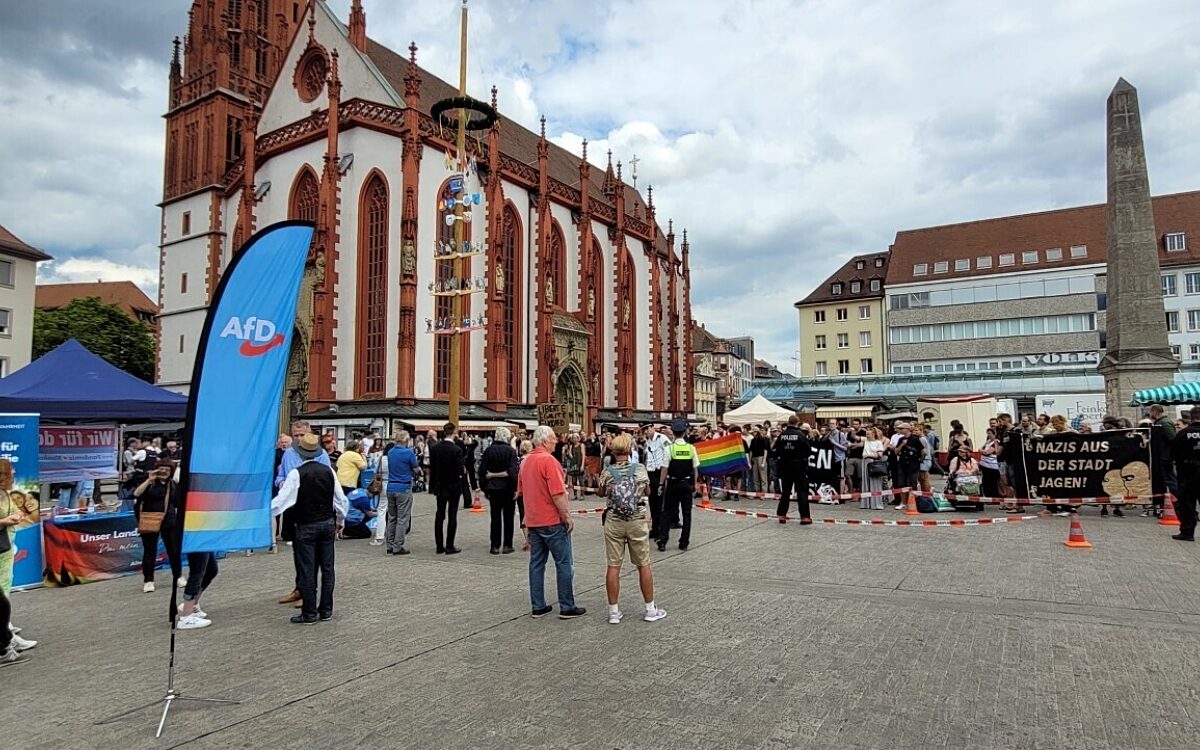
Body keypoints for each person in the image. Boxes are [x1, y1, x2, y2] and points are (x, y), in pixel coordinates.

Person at [272, 433, 348, 624]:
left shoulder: (296, 473)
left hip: (306, 524)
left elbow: (281, 502)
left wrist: (262, 513)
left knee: (307, 569)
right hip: (326, 523)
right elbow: (340, 499)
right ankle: (326, 610)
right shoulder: (329, 471)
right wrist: (340, 520)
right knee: (328, 568)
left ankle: (309, 612)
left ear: (300, 453)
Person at [597, 433, 666, 624]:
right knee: (643, 564)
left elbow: (600, 492)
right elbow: (648, 491)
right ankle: (650, 609)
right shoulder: (640, 469)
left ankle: (613, 612)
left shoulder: (607, 472)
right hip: (636, 520)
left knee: (613, 565)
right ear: (629, 450)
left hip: (614, 520)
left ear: (612, 450)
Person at [518, 425, 585, 619]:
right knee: (564, 563)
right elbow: (557, 494)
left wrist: (526, 519)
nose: (557, 441)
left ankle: (538, 605)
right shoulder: (549, 461)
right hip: (552, 520)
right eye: (554, 438)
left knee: (536, 564)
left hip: (533, 519)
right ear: (546, 440)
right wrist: (566, 516)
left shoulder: (525, 461)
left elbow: (522, 493)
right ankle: (566, 606)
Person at [275, 420, 331, 606]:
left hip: (313, 507)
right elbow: (280, 476)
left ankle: (309, 592)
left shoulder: (320, 454)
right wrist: (282, 483)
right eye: (296, 435)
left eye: (302, 435)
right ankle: (300, 588)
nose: (298, 439)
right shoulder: (288, 453)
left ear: (309, 434)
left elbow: (328, 478)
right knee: (298, 551)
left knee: (312, 553)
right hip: (293, 507)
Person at [133, 458, 183, 593]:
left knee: (173, 550)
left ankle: (178, 576)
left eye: (167, 470)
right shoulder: (149, 482)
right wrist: (149, 479)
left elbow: (178, 503)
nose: (164, 472)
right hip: (150, 519)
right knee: (150, 551)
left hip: (169, 521)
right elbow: (136, 493)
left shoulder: (173, 484)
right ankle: (148, 580)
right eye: (162, 469)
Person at [0, 484, 37, 653]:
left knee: (3, 596)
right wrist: (4, 521)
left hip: (5, 545)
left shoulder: (6, 494)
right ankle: (7, 642)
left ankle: (7, 637)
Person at [479, 426, 520, 554]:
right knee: (508, 517)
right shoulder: (511, 451)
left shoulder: (488, 451)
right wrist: (516, 489)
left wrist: (485, 488)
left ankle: (495, 545)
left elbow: (482, 471)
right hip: (508, 488)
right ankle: (507, 544)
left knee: (495, 517)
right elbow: (513, 472)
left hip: (493, 488)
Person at [659, 419, 700, 550]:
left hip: (672, 483)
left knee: (666, 512)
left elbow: (664, 468)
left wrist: (661, 484)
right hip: (686, 483)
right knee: (687, 513)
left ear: (674, 433)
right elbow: (695, 469)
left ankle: (663, 541)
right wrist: (695, 485)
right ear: (685, 432)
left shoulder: (669, 449)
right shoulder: (691, 448)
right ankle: (684, 542)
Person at [429, 422, 466, 554]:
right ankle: (450, 545)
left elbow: (432, 469)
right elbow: (460, 470)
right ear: (454, 433)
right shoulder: (457, 450)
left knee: (440, 514)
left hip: (440, 485)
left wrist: (432, 486)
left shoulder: (435, 449)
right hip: (454, 486)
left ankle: (439, 545)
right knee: (452, 514)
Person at [381, 431, 419, 555]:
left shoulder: (391, 452)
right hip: (404, 487)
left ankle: (389, 545)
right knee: (402, 518)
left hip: (391, 486)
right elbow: (415, 468)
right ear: (406, 440)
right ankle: (398, 546)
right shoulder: (409, 453)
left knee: (392, 517)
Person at [1169, 406, 1200, 542]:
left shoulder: (1183, 434)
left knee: (1187, 504)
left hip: (1188, 473)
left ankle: (1187, 532)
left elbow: (1173, 454)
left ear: (1191, 417)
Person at [775, 415, 812, 522]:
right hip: (799, 466)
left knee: (786, 491)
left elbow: (776, 450)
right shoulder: (800, 435)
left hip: (785, 466)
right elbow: (808, 451)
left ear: (788, 422)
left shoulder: (782, 435)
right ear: (797, 422)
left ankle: (782, 514)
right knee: (802, 491)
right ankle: (805, 516)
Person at [1148, 404, 1178, 518]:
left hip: (1165, 458)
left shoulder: (1164, 423)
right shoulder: (1160, 423)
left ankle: (1178, 500)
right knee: (1167, 481)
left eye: (1151, 412)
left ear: (1155, 412)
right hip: (1162, 457)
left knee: (1170, 480)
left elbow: (1172, 439)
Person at [643, 425, 670, 541]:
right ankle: (655, 528)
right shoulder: (647, 442)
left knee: (660, 503)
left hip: (660, 472)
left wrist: (667, 471)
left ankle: (661, 529)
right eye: (644, 430)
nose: (646, 432)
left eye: (647, 429)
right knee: (652, 501)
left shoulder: (662, 438)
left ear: (653, 428)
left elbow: (669, 452)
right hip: (650, 473)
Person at [859, 426, 887, 510]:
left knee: (875, 482)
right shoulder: (866, 441)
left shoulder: (878, 442)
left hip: (873, 462)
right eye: (866, 434)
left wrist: (870, 455)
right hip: (865, 462)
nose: (867, 436)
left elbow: (880, 455)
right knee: (866, 482)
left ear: (873, 434)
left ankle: (876, 503)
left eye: (869, 434)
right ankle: (866, 503)